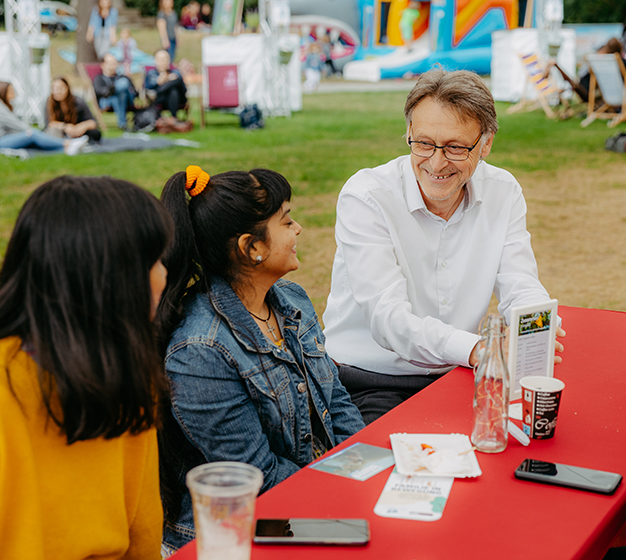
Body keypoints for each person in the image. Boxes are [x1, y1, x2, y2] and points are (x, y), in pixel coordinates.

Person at [0, 175, 171, 559]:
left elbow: (142, 532)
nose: (164, 274)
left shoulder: (127, 368)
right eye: (154, 261)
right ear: (108, 279)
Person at [322, 69, 563, 424]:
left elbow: (520, 282)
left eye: (455, 147)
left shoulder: (504, 190)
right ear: (408, 133)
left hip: (461, 371)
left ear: (486, 143)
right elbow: (389, 319)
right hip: (369, 381)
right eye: (423, 143)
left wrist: (535, 329)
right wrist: (479, 350)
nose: (436, 163)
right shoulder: (367, 197)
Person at [156, 166, 365, 553]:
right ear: (252, 247)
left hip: (312, 497)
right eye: (286, 221)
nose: (298, 228)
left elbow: (335, 400)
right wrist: (342, 494)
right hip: (241, 531)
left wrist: (368, 468)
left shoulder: (292, 300)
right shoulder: (199, 350)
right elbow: (256, 476)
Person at [0, 81, 88, 155]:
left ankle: (65, 150)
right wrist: (30, 131)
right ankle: (68, 143)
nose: (14, 93)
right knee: (31, 135)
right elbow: (13, 123)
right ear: (3, 91)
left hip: (4, 138)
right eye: (11, 90)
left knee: (33, 143)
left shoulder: (1, 105)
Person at [44, 76, 101, 144]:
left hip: (78, 132)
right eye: (54, 89)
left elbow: (93, 123)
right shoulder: (49, 102)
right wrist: (65, 127)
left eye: (61, 88)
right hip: (61, 132)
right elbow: (49, 123)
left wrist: (82, 126)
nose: (57, 92)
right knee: (50, 133)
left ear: (67, 88)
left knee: (95, 133)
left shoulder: (78, 102)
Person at [94, 53, 138, 130]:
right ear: (103, 65)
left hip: (126, 100)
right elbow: (99, 91)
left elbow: (134, 92)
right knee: (121, 88)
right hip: (106, 101)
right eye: (109, 63)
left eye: (114, 63)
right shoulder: (99, 78)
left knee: (122, 88)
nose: (112, 66)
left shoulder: (122, 77)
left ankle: (122, 124)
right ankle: (122, 124)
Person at [144, 49, 187, 120]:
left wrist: (168, 81)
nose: (163, 61)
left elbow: (183, 89)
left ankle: (158, 92)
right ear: (155, 60)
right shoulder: (151, 74)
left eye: (165, 59)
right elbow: (146, 89)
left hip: (178, 98)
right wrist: (158, 82)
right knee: (173, 90)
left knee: (175, 84)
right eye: (161, 59)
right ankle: (174, 118)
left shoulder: (176, 72)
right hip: (160, 99)